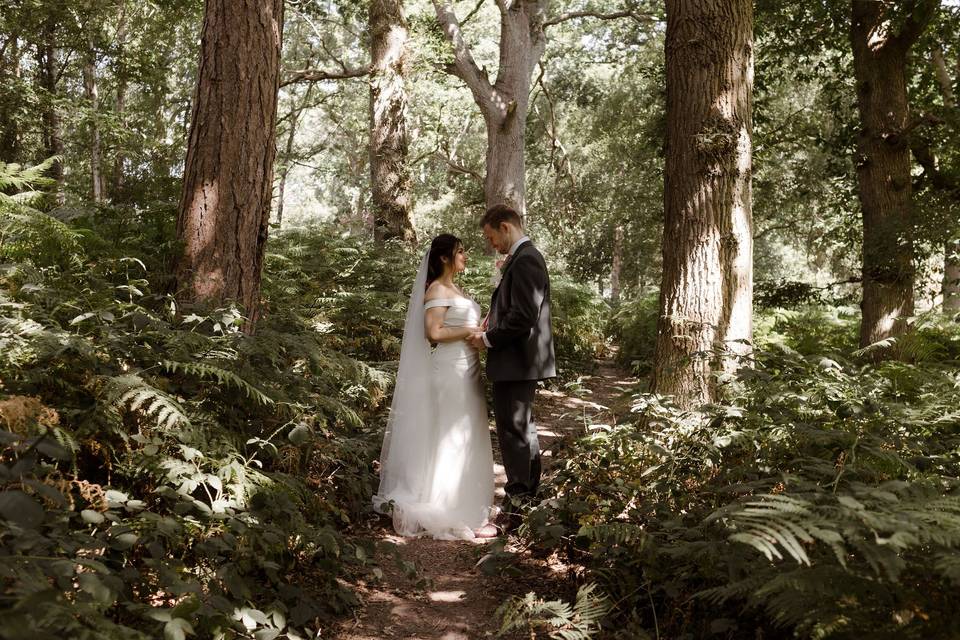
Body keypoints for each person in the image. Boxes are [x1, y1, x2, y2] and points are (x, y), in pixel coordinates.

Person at [373, 234, 499, 540]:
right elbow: (433, 332)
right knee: (451, 433)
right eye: (460, 252)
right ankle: (449, 508)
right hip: (450, 369)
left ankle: (467, 501)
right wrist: (469, 329)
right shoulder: (436, 289)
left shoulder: (458, 289)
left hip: (469, 368)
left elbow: (458, 324)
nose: (465, 256)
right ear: (444, 258)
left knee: (470, 433)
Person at [467, 205, 556, 532]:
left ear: (505, 227)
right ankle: (528, 503)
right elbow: (514, 308)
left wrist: (486, 340)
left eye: (492, 238)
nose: (493, 245)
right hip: (518, 362)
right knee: (523, 433)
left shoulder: (527, 259)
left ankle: (514, 512)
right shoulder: (521, 259)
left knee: (513, 433)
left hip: (516, 361)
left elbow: (523, 317)